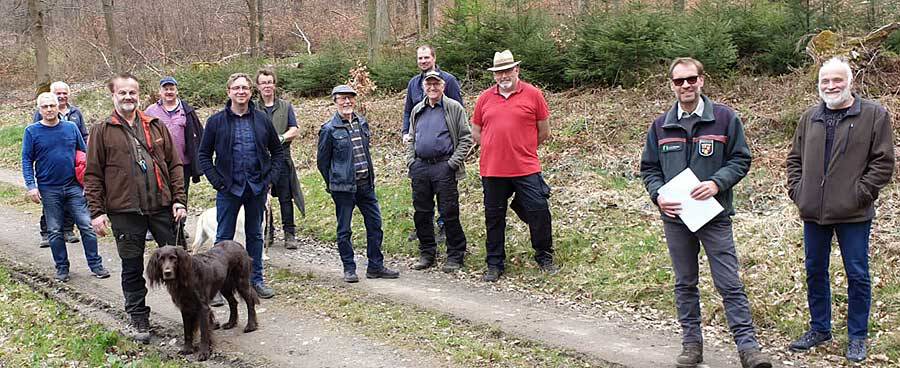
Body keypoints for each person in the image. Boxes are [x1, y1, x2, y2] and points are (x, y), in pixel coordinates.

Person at [639, 57, 771, 368]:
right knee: (685, 282)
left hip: (714, 216)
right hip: (676, 218)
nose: (685, 85)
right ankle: (691, 345)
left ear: (702, 80)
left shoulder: (725, 119)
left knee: (729, 283)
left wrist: (716, 183)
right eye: (678, 81)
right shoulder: (660, 126)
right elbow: (649, 169)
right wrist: (658, 196)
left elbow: (741, 159)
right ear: (672, 85)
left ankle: (749, 349)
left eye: (690, 79)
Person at [785, 57, 894, 363]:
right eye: (825, 81)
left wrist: (861, 194)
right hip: (813, 212)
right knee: (814, 270)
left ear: (850, 81)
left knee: (857, 274)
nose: (831, 86)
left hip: (854, 213)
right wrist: (798, 191)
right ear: (819, 85)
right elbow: (794, 159)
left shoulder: (874, 115)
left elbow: (883, 162)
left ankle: (857, 336)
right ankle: (820, 328)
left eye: (837, 80)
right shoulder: (810, 117)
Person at [84, 73, 187, 344]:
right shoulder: (101, 130)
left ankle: (194, 311)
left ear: (139, 95)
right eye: (122, 93)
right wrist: (96, 212)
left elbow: (174, 164)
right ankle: (139, 316)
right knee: (131, 267)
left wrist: (179, 200)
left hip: (162, 206)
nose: (128, 97)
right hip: (124, 212)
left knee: (183, 263)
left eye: (132, 92)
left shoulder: (155, 125)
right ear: (113, 95)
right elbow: (92, 174)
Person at [471, 50, 556, 282]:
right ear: (494, 75)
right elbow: (476, 132)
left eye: (507, 70)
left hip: (526, 167)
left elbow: (544, 131)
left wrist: (522, 147)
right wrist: (494, 146)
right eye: (499, 72)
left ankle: (544, 256)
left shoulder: (533, 95)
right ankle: (495, 263)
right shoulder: (484, 98)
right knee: (494, 217)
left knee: (539, 210)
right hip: (492, 169)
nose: (503, 75)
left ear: (516, 70)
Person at [198, 73, 283, 299]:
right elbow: (204, 155)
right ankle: (216, 285)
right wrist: (217, 181)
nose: (241, 92)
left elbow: (277, 152)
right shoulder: (216, 122)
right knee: (223, 237)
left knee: (255, 235)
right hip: (229, 189)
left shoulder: (262, 119)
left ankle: (256, 280)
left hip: (256, 188)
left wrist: (269, 180)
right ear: (229, 92)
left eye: (245, 88)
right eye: (236, 88)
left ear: (250, 92)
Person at [317, 85, 400, 283]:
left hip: (365, 186)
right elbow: (322, 162)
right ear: (335, 101)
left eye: (350, 98)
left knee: (375, 225)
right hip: (343, 188)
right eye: (342, 99)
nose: (347, 102)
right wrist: (333, 182)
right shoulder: (329, 129)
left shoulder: (362, 123)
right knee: (344, 229)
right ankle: (349, 268)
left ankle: (375, 266)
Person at [22, 92, 109, 282]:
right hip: (48, 188)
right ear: (39, 109)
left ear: (58, 107)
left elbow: (84, 154)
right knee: (54, 230)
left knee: (86, 225)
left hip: (73, 187)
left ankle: (96, 265)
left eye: (52, 105)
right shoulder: (32, 131)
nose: (49, 109)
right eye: (45, 107)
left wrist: (89, 182)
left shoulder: (70, 128)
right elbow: (27, 159)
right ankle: (62, 268)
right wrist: (31, 185)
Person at [406, 70, 473, 272]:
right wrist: (411, 161)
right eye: (429, 84)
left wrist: (452, 164)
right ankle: (427, 252)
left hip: (444, 166)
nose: (432, 88)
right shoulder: (417, 109)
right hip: (420, 167)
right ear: (424, 87)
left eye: (436, 84)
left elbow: (466, 138)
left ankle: (455, 255)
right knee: (422, 212)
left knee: (449, 212)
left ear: (443, 86)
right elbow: (411, 137)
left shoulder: (453, 108)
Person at [402, 45, 464, 243]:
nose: (423, 61)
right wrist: (407, 139)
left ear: (434, 58)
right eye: (420, 58)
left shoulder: (449, 81)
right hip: (420, 161)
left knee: (448, 205)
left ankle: (446, 231)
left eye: (426, 57)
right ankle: (426, 241)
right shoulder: (413, 83)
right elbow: (408, 111)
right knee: (421, 206)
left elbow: (459, 116)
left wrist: (452, 162)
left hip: (444, 158)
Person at [144, 76, 204, 246]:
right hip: (158, 164)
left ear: (176, 90)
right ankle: (159, 227)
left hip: (182, 163)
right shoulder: (150, 111)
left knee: (181, 195)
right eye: (165, 89)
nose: (169, 92)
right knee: (160, 195)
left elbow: (199, 134)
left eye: (171, 88)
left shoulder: (187, 111)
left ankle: (179, 226)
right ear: (160, 91)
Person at [32, 81, 87, 246]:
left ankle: (68, 230)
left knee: (71, 199)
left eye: (64, 93)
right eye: (58, 93)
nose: (62, 96)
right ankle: (46, 231)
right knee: (51, 203)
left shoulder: (76, 113)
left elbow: (83, 135)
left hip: (72, 164)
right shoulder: (44, 111)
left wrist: (84, 155)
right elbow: (36, 132)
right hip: (49, 168)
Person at [255, 68, 305, 250]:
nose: (267, 86)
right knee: (262, 198)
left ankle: (289, 234)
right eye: (263, 83)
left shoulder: (286, 106)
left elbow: (295, 129)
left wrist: (281, 138)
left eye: (270, 82)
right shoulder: (253, 108)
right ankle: (267, 232)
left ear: (274, 85)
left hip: (282, 158)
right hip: (260, 161)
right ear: (258, 86)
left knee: (286, 197)